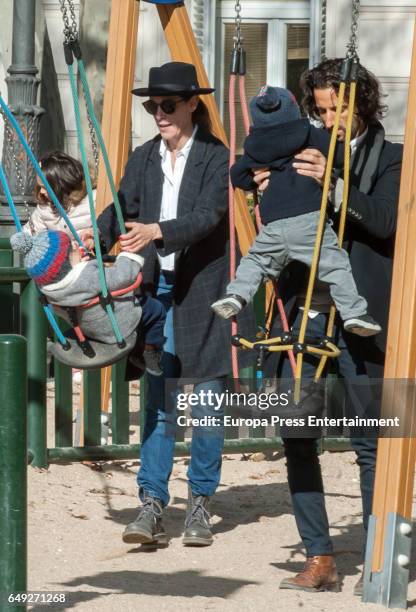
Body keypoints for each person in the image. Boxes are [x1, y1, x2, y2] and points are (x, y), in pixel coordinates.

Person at [82, 61, 254, 547]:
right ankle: (152, 503)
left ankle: (199, 503)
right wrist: (89, 241)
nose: (158, 113)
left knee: (205, 401)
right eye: (152, 105)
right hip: (155, 292)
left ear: (192, 105)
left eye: (168, 105)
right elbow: (117, 210)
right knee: (158, 398)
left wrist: (158, 230)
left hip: (203, 289)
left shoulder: (216, 158)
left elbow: (209, 215)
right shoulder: (143, 158)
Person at [254, 59, 402, 594]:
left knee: (375, 442)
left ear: (364, 103)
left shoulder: (394, 158)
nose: (331, 118)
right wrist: (268, 197)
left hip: (365, 318)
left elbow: (386, 221)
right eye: (321, 110)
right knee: (298, 435)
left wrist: (334, 186)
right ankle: (320, 556)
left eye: (340, 107)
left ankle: (382, 557)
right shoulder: (298, 153)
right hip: (306, 313)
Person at [212, 85, 381, 337]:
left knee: (256, 261)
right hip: (308, 220)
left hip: (273, 223)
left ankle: (236, 294)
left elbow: (237, 176)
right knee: (334, 265)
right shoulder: (308, 133)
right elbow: (339, 154)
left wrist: (254, 177)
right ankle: (354, 313)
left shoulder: (255, 144)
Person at [10, 230, 166, 376]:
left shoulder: (47, 291)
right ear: (67, 262)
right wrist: (128, 256)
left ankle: (140, 349)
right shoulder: (89, 277)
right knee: (156, 309)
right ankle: (149, 350)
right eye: (72, 248)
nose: (77, 246)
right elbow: (123, 276)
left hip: (89, 331)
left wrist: (79, 263)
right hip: (119, 325)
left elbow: (72, 281)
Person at [24, 150, 95, 237]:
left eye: (45, 188)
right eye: (40, 187)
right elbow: (29, 233)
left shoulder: (92, 201)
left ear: (62, 184)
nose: (41, 192)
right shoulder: (45, 207)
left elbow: (105, 227)